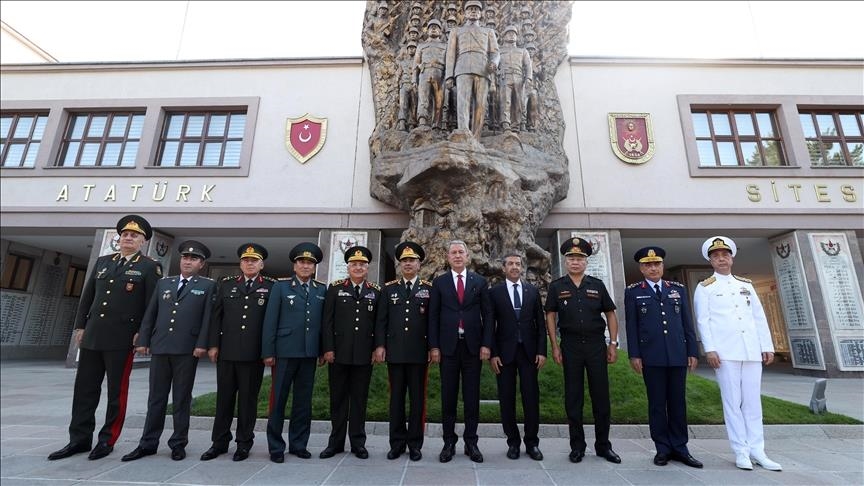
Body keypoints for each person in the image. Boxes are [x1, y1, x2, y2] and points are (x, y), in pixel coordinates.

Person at [48, 215, 162, 461]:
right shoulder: (103, 262)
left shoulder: (149, 267)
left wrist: (143, 333)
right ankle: (79, 439)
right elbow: (88, 297)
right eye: (125, 234)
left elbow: (152, 305)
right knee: (84, 390)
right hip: (93, 335)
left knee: (116, 393)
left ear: (143, 241)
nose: (128, 238)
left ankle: (107, 439)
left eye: (134, 235)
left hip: (122, 338)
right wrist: (80, 326)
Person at [693, 236, 782, 472]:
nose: (721, 259)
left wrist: (767, 346)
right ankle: (741, 451)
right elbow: (703, 321)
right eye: (716, 256)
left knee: (753, 403)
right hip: (725, 352)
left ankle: (758, 450)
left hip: (750, 350)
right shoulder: (705, 287)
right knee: (732, 403)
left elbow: (758, 317)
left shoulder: (746, 284)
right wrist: (709, 349)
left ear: (731, 258)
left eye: (725, 255)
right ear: (710, 261)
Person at [121, 240, 215, 462]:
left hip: (187, 349)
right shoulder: (164, 283)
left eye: (193, 259)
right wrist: (143, 340)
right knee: (156, 397)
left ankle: (178, 443)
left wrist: (201, 344)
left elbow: (208, 318)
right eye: (185, 257)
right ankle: (148, 443)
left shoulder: (208, 286)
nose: (188, 261)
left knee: (181, 398)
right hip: (161, 346)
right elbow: (151, 313)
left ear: (201, 264)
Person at [624, 246, 702, 468]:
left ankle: (680, 447)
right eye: (648, 265)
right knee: (657, 404)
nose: (653, 268)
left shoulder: (677, 289)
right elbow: (632, 326)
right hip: (651, 356)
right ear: (641, 268)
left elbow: (687, 322)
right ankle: (662, 448)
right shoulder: (633, 292)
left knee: (678, 403)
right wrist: (634, 354)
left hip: (677, 354)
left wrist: (692, 351)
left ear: (662, 266)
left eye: (656, 264)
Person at [545, 237, 621, 464]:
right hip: (570, 346)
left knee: (601, 397)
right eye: (571, 259)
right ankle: (577, 446)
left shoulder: (597, 285)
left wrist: (613, 343)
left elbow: (610, 314)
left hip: (596, 346)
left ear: (586, 262)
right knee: (573, 398)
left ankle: (603, 446)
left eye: (579, 258)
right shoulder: (557, 286)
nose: (575, 262)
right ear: (565, 262)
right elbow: (550, 315)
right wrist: (555, 346)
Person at [201, 243, 275, 462]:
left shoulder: (271, 286)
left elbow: (271, 323)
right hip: (227, 352)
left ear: (261, 264)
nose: (249, 264)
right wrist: (213, 345)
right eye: (246, 260)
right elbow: (216, 317)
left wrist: (268, 351)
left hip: (253, 355)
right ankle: (219, 442)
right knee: (224, 399)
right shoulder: (226, 284)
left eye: (254, 261)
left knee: (248, 401)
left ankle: (244, 443)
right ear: (240, 264)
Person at [260, 242, 326, 463]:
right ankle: (276, 447)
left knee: (303, 402)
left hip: (309, 353)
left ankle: (299, 445)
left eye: (309, 263)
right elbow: (270, 322)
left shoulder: (321, 289)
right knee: (278, 401)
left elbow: (322, 324)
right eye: (301, 262)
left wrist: (322, 350)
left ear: (314, 267)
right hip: (284, 352)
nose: (305, 266)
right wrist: (268, 352)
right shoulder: (280, 287)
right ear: (294, 265)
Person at [428, 240, 491, 463]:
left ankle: (471, 442)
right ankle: (448, 443)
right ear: (448, 257)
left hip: (473, 347)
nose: (457, 256)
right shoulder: (439, 282)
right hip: (448, 348)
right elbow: (433, 316)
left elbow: (488, 315)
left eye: (460, 252)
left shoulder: (479, 282)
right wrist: (434, 346)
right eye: (453, 252)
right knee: (449, 397)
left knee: (472, 397)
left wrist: (486, 344)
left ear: (467, 256)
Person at [320, 246, 381, 460]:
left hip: (364, 356)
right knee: (337, 400)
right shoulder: (335, 289)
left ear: (367, 268)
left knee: (359, 400)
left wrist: (377, 348)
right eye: (354, 264)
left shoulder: (375, 291)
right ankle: (335, 443)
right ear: (348, 267)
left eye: (362, 264)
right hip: (338, 354)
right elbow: (327, 322)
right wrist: (328, 348)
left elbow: (379, 324)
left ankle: (358, 443)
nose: (358, 267)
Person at [483, 252, 546, 461]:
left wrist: (541, 351)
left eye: (518, 264)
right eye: (510, 263)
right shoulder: (495, 293)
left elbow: (540, 324)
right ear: (503, 268)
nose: (514, 267)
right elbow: (490, 325)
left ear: (522, 267)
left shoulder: (532, 291)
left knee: (531, 399)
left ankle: (532, 443)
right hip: (504, 354)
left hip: (529, 353)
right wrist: (493, 353)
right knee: (506, 399)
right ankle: (513, 442)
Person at [375, 241, 432, 461]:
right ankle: (397, 443)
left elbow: (432, 322)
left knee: (418, 400)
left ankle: (415, 444)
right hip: (396, 352)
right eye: (404, 260)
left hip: (419, 353)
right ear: (399, 264)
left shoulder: (428, 289)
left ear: (419, 264)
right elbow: (381, 321)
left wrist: (432, 347)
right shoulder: (389, 289)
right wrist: (380, 346)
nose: (408, 263)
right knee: (396, 400)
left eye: (412, 260)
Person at [444, 0, 499, 139]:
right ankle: (463, 134)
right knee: (463, 102)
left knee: (480, 105)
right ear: (465, 13)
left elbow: (495, 52)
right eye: (470, 9)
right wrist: (449, 75)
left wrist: (494, 62)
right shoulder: (456, 31)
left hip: (483, 69)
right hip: (462, 67)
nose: (473, 11)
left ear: (481, 13)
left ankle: (476, 138)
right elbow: (450, 54)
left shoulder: (489, 31)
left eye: (476, 9)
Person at [497, 25, 532, 132]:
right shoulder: (499, 50)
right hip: (504, 77)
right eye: (509, 33)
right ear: (504, 36)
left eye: (514, 34)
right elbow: (495, 64)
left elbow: (528, 66)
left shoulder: (523, 51)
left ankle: (516, 125)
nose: (512, 35)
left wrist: (528, 78)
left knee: (519, 102)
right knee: (505, 101)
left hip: (519, 78)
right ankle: (505, 123)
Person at [414, 19, 447, 129]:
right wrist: (414, 80)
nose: (433, 29)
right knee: (423, 98)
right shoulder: (421, 46)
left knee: (439, 100)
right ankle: (422, 121)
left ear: (440, 31)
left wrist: (448, 77)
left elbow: (449, 63)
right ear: (427, 31)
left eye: (436, 27)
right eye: (431, 27)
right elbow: (416, 64)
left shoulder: (445, 46)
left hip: (440, 73)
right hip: (425, 72)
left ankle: (436, 124)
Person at [396, 42, 418, 132]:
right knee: (403, 105)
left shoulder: (418, 62)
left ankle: (412, 124)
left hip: (414, 85)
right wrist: (397, 83)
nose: (412, 49)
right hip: (404, 84)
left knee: (414, 105)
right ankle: (402, 122)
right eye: (410, 48)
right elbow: (398, 74)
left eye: (413, 48)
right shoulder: (402, 62)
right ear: (407, 50)